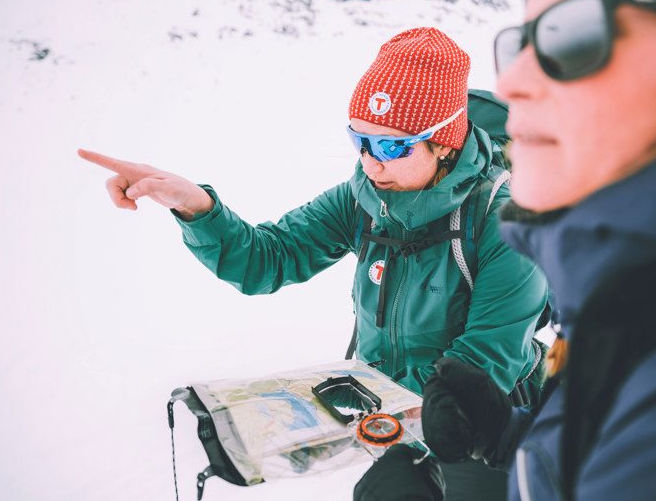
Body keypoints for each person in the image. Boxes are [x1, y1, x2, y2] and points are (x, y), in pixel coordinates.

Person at [354, 0, 656, 500]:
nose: (515, 82)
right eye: (522, 43)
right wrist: (510, 436)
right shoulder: (643, 304)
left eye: (575, 34)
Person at [79, 27, 549, 500]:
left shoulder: (507, 222)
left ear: (444, 143)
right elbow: (267, 259)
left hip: (487, 431)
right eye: (360, 139)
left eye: (391, 145)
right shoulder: (364, 199)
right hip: (392, 421)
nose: (370, 162)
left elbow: (486, 361)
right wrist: (197, 208)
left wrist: (409, 434)